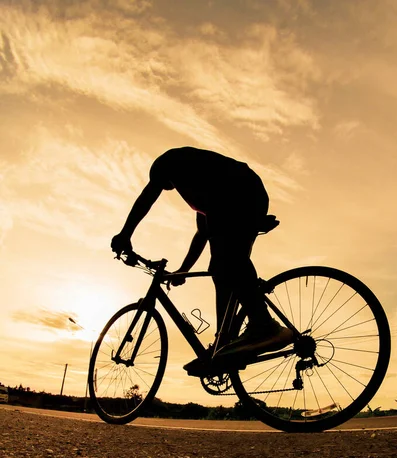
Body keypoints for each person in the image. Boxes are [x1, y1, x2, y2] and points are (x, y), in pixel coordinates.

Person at [111, 146, 293, 374]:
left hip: (238, 191)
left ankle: (262, 324)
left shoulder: (171, 164)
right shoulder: (199, 185)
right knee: (226, 270)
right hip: (246, 192)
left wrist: (125, 234)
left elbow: (147, 197)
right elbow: (203, 233)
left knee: (224, 263)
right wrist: (183, 270)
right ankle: (224, 341)